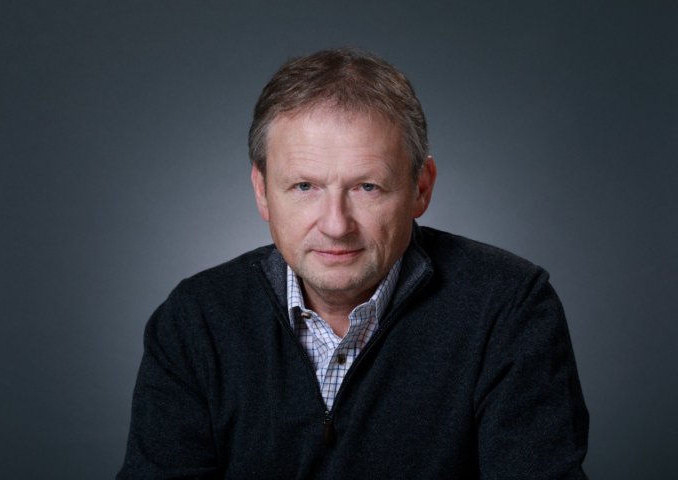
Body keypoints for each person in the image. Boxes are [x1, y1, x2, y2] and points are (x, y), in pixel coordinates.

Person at [117, 48, 589, 479]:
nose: (336, 225)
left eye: (367, 187)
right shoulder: (195, 319)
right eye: (305, 187)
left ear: (421, 188)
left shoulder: (508, 308)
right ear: (262, 192)